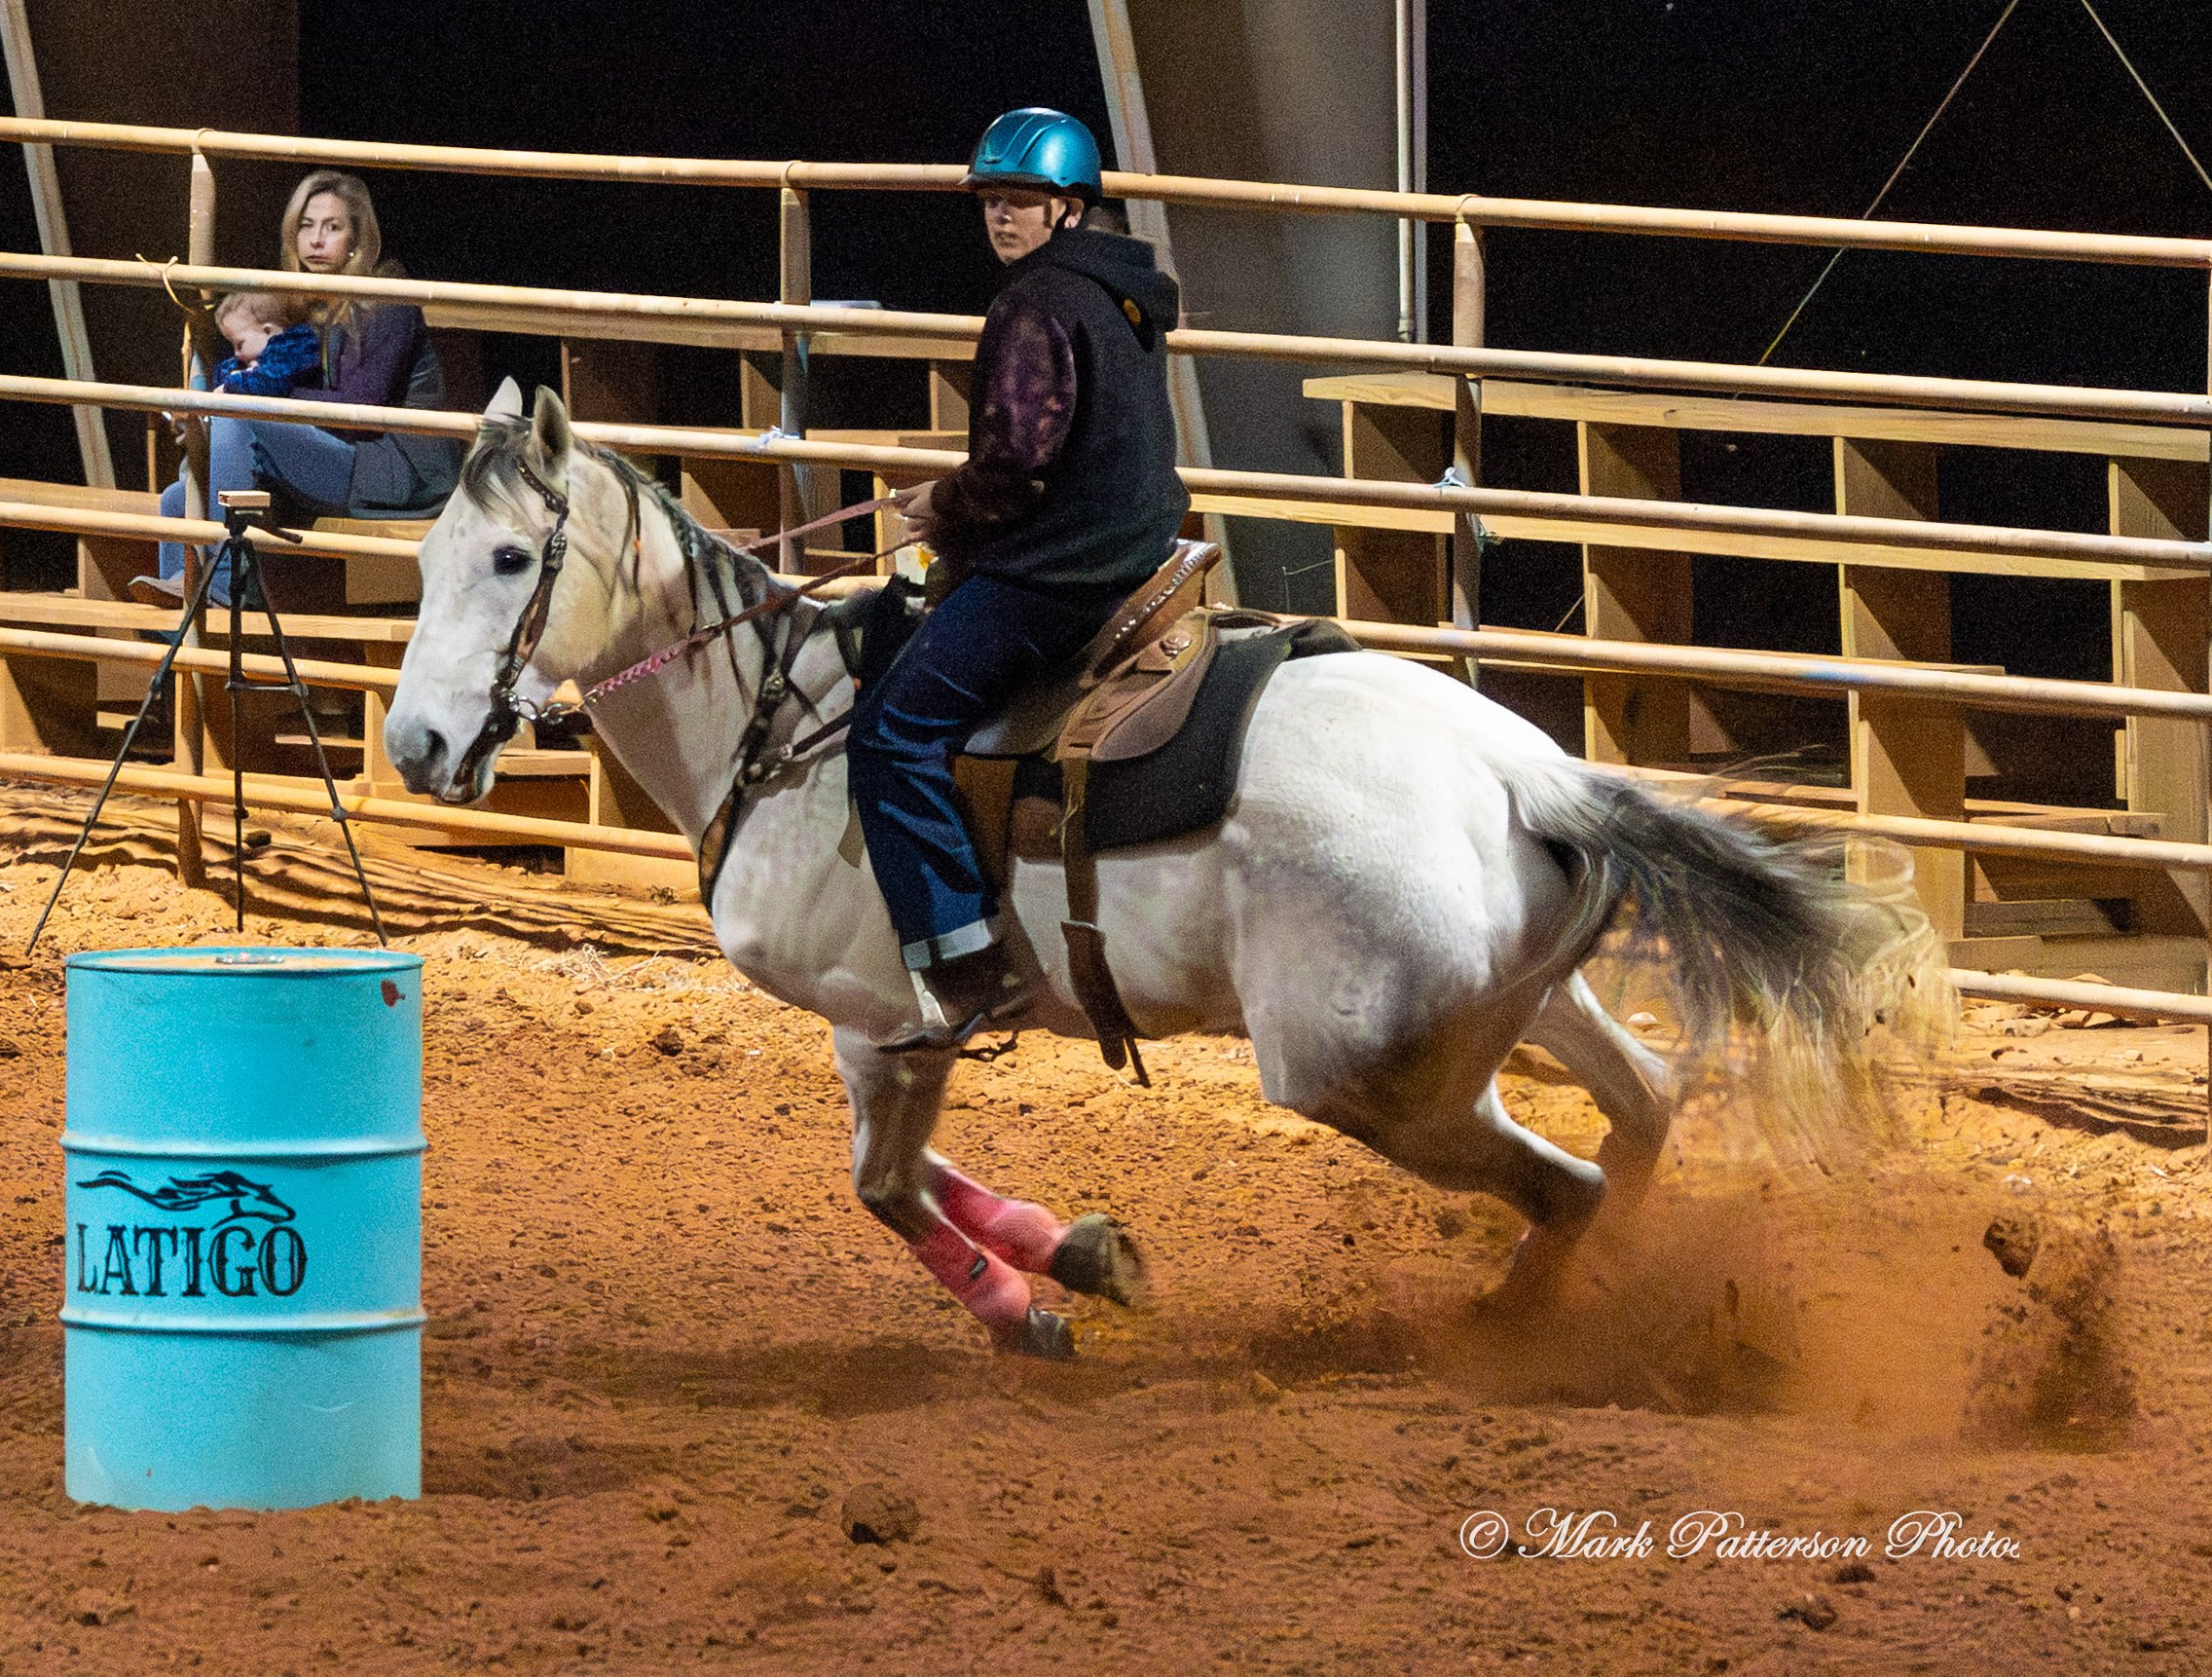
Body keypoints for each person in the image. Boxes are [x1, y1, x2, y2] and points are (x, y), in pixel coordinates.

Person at [847, 107, 1192, 1051]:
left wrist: (938, 505)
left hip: (1056, 571)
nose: (1002, 218)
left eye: (1023, 201)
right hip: (1138, 551)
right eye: (992, 201)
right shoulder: (1123, 294)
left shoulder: (1033, 305)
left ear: (1068, 211)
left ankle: (965, 962)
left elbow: (1013, 469)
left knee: (889, 732)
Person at [131, 169, 463, 608]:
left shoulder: (388, 298)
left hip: (393, 469)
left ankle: (222, 587)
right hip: (333, 452)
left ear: (357, 240)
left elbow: (357, 406)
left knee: (244, 416)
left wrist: (252, 398)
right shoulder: (301, 303)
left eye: (333, 227)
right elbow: (271, 380)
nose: (316, 240)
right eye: (306, 226)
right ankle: (180, 591)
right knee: (180, 496)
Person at [208, 290, 321, 398]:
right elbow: (227, 370)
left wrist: (230, 385)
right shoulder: (254, 356)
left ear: (267, 332)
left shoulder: (296, 349)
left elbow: (270, 382)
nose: (236, 353)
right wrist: (233, 375)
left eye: (239, 344)